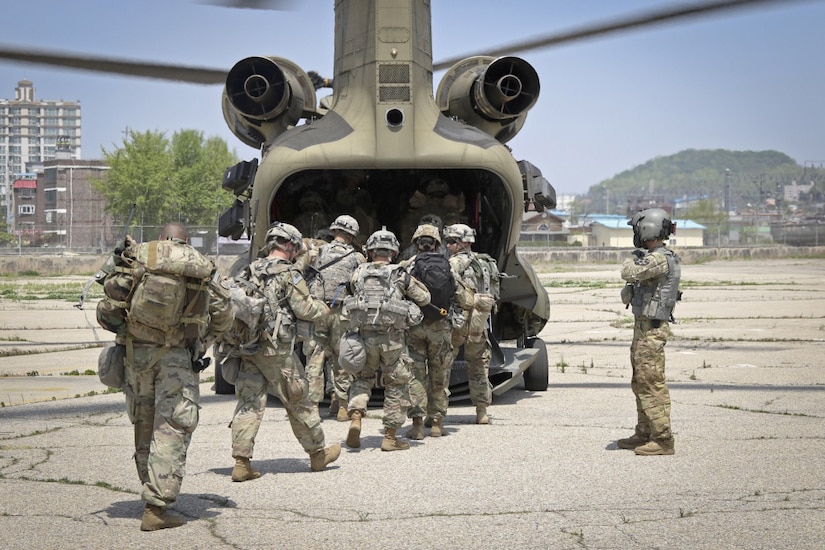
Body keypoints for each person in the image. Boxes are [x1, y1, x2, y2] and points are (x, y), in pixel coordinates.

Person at [96, 222, 234, 531]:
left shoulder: (140, 256)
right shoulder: (201, 265)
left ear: (162, 238)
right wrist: (205, 339)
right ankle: (157, 507)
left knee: (144, 421)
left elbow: (106, 310)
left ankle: (150, 485)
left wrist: (128, 332)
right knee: (172, 425)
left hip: (135, 357)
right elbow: (225, 312)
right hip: (176, 358)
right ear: (187, 242)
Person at [228, 222, 341, 481]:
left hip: (248, 347)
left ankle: (241, 462)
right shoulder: (289, 273)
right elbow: (304, 309)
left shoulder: (249, 269)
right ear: (289, 245)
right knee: (298, 398)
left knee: (249, 404)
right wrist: (325, 309)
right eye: (296, 248)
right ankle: (317, 454)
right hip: (276, 350)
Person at [341, 227, 431, 451]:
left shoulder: (358, 273)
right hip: (392, 341)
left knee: (362, 379)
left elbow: (350, 295)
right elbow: (425, 297)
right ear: (393, 252)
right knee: (396, 385)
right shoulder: (399, 274)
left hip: (363, 338)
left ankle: (355, 418)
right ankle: (390, 437)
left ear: (370, 252)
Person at [400, 223, 472, 439]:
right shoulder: (447, 266)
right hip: (440, 327)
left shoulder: (406, 266)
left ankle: (417, 425)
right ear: (437, 244)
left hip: (415, 327)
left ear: (415, 243)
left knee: (415, 377)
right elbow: (465, 299)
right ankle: (438, 423)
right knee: (439, 376)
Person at [619, 208, 681, 456]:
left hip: (651, 331)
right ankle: (644, 432)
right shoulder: (656, 256)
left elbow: (629, 272)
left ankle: (663, 439)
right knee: (640, 381)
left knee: (652, 383)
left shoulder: (659, 258)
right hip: (645, 328)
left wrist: (630, 258)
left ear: (647, 229)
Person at [305, 215, 366, 421]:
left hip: (317, 309)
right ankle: (341, 405)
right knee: (341, 358)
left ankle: (312, 407)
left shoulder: (318, 252)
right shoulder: (357, 258)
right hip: (342, 313)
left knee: (315, 359)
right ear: (352, 235)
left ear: (334, 232)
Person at [443, 223, 496, 425]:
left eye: (451, 242)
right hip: (478, 323)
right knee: (479, 366)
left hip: (456, 322)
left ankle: (437, 413)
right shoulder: (486, 263)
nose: (448, 246)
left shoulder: (453, 263)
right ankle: (482, 412)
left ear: (464, 242)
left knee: (443, 365)